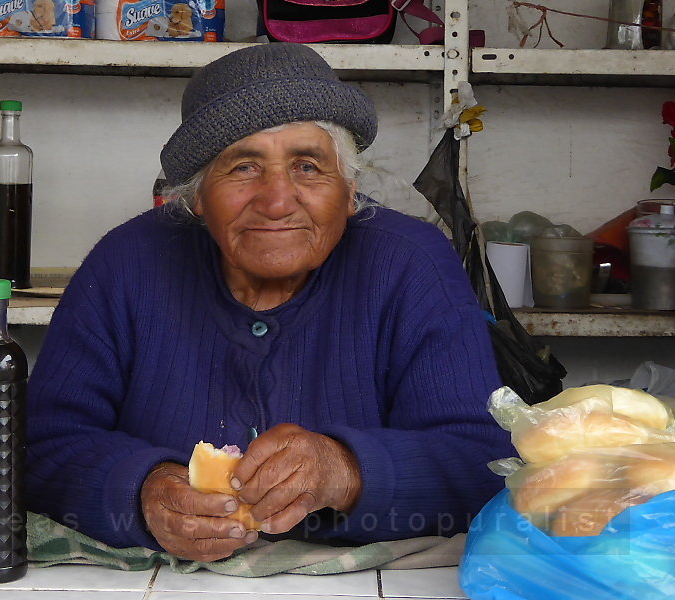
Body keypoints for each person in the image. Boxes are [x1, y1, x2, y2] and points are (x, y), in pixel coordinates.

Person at [26, 43, 514, 562]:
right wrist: (140, 490)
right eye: (242, 167)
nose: (277, 201)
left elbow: (485, 464)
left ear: (349, 191)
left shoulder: (412, 264)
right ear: (194, 197)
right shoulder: (125, 265)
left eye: (308, 166)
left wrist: (345, 471)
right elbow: (38, 449)